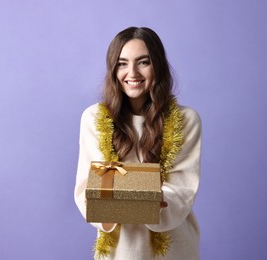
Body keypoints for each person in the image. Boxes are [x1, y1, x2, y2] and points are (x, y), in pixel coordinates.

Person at [74, 26, 202, 260]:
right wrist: (150, 193)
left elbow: (181, 192)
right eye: (122, 63)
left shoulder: (186, 120)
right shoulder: (94, 118)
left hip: (173, 248)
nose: (132, 72)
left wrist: (116, 191)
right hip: (119, 250)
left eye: (143, 62)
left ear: (158, 66)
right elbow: (88, 194)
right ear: (113, 69)